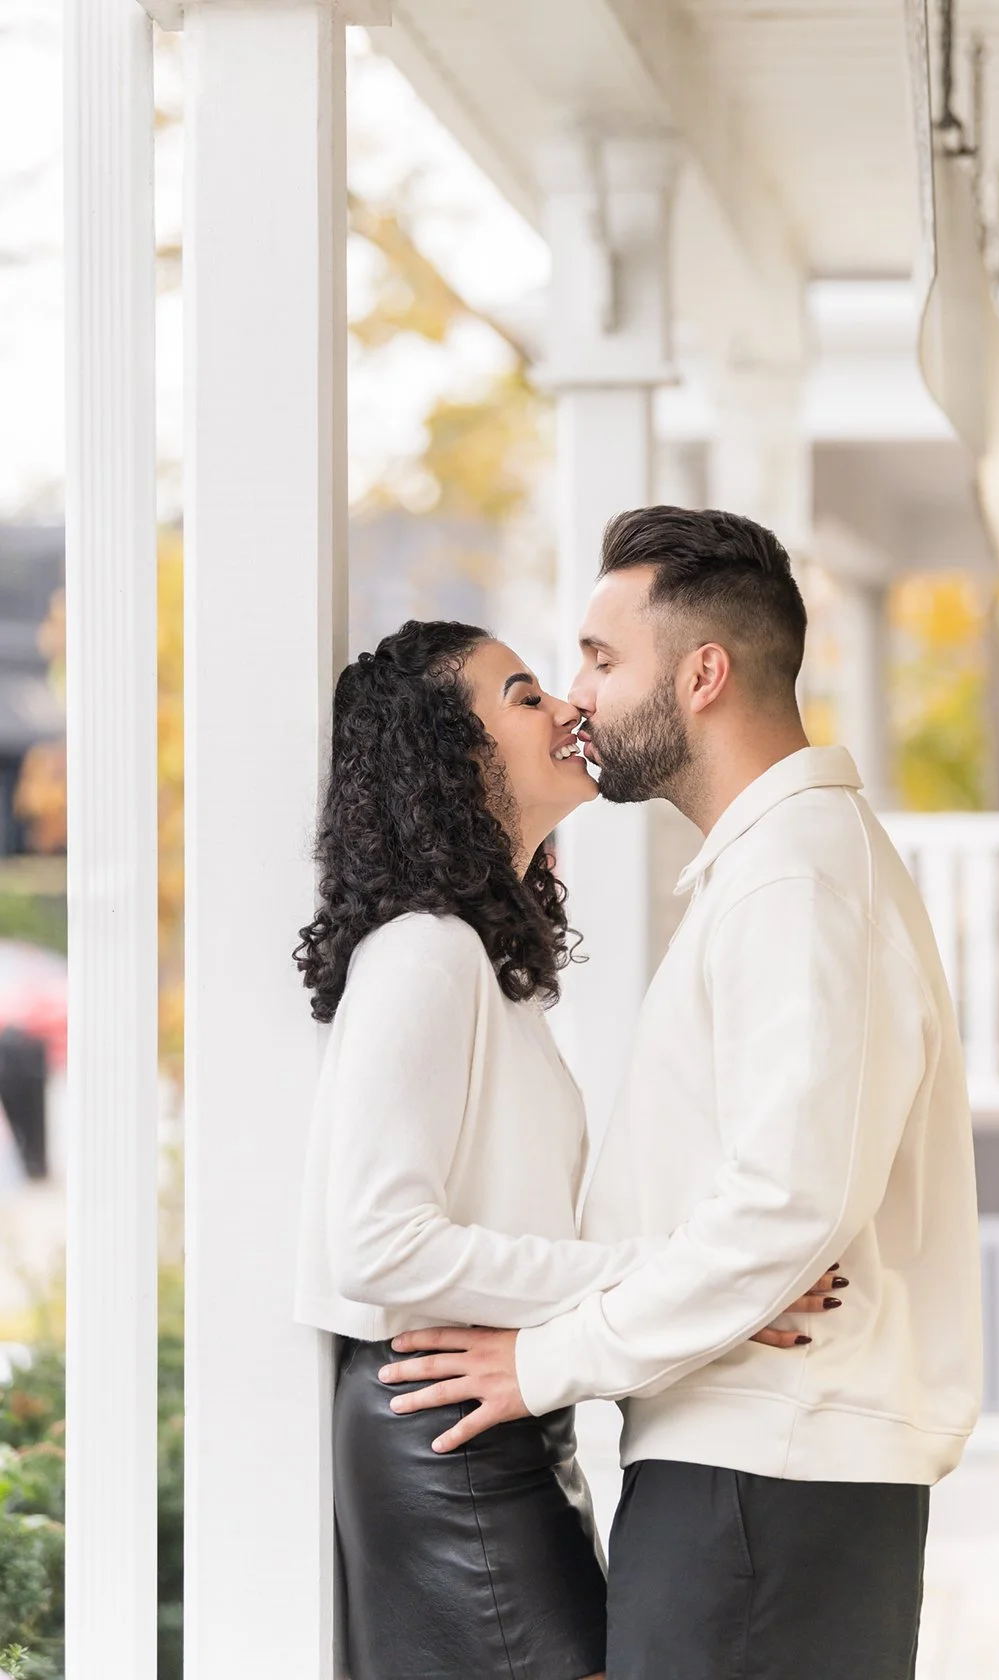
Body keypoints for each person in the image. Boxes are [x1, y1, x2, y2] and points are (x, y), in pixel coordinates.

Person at [380, 508, 984, 1680]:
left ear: (702, 674)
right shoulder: (777, 870)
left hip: (768, 1483)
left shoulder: (795, 880)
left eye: (603, 659)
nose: (577, 697)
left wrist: (541, 1363)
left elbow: (782, 1213)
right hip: (757, 1479)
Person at [292, 616, 837, 1680]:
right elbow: (375, 1245)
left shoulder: (481, 967)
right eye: (525, 694)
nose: (568, 708)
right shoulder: (422, 953)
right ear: (449, 752)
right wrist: (678, 1271)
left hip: (505, 1417)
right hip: (443, 1435)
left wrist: (697, 1299)